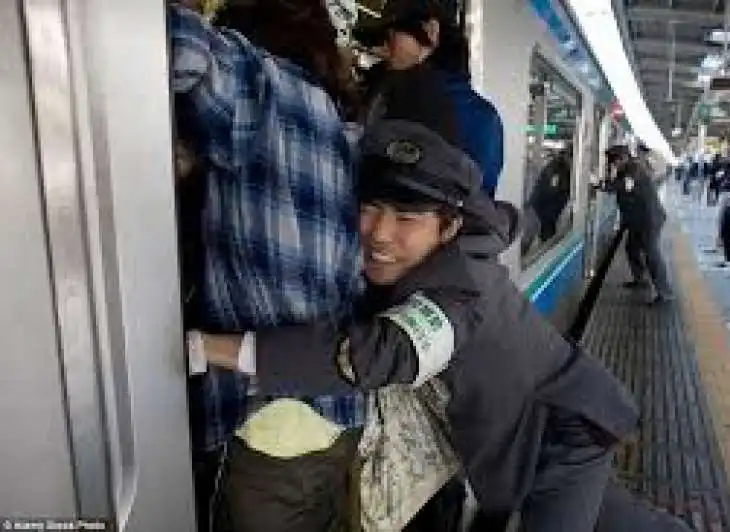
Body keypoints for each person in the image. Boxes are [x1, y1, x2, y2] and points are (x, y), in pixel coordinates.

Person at [201, 120, 691, 532]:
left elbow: (377, 354)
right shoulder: (459, 245)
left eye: (407, 218)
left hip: (562, 435)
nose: (379, 234)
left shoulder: (457, 295)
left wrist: (208, 349)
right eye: (369, 208)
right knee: (618, 519)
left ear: (449, 227)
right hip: (552, 424)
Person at [169, 2, 365, 530]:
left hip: (267, 424)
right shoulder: (343, 129)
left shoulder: (257, 87)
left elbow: (168, 41)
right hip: (339, 416)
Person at [355, 0, 504, 196]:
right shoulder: (485, 115)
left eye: (390, 38)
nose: (383, 50)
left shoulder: (406, 101)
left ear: (431, 31)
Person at [606, 145, 673, 304]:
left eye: (614, 162)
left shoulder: (634, 169)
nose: (613, 165)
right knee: (631, 248)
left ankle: (664, 292)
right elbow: (617, 183)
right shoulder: (626, 169)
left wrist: (601, 186)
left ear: (623, 158)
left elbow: (623, 186)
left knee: (652, 254)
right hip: (638, 220)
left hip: (649, 220)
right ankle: (640, 279)